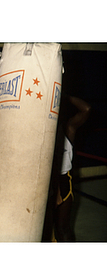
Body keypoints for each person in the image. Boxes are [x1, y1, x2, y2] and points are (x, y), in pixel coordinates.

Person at [50, 94, 91, 242]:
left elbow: (86, 109)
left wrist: (63, 95)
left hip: (63, 180)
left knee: (63, 228)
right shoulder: (41, 129)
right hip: (46, 181)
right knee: (45, 229)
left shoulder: (68, 127)